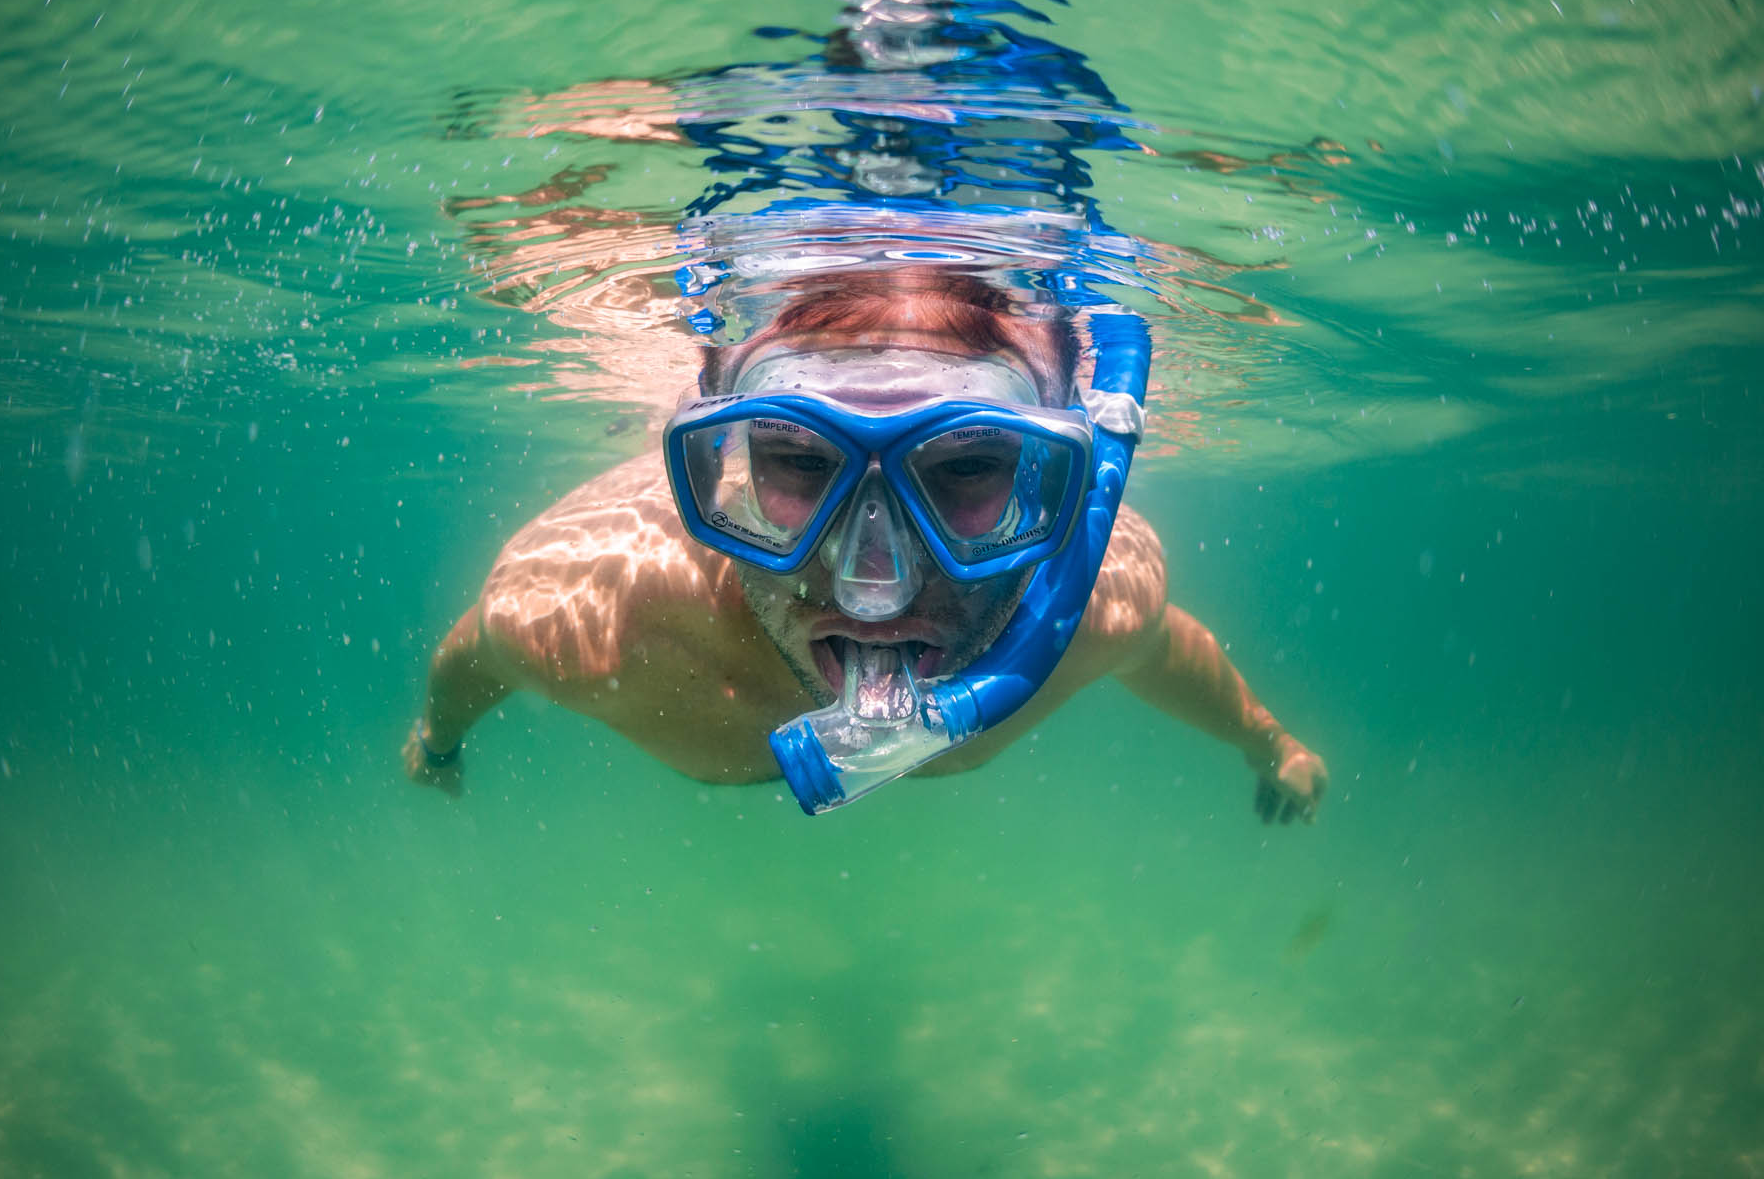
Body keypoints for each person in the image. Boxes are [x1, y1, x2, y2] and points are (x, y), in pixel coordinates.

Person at [402, 267, 1328, 823]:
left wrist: (1267, 741)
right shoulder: (582, 611)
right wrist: (437, 737)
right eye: (803, 461)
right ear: (723, 458)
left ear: (1056, 479)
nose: (873, 582)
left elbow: (1160, 646)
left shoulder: (1092, 600)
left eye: (966, 465)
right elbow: (475, 654)